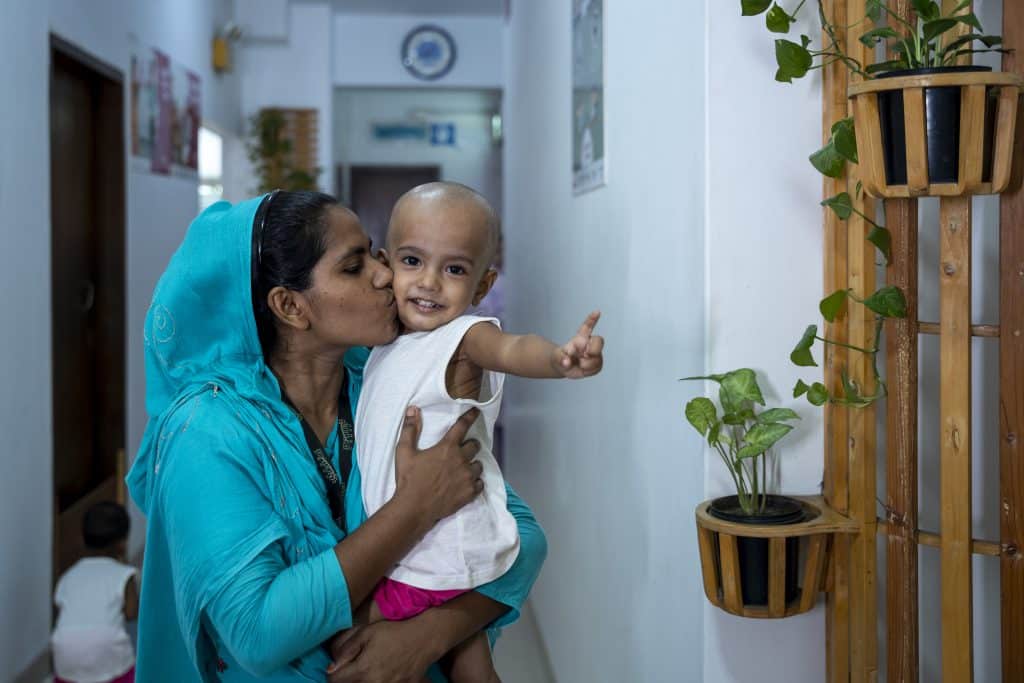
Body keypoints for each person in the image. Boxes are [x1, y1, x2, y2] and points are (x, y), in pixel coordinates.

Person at [125, 190, 547, 682]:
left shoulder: (378, 381)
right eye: (354, 266)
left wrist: (426, 636)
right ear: (290, 306)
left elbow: (523, 539)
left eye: (373, 252)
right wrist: (413, 509)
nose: (386, 274)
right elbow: (258, 632)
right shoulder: (207, 433)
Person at [354, 182, 603, 682]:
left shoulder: (465, 338)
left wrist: (558, 359)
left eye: (454, 269)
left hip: (441, 546)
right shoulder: (385, 343)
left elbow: (511, 349)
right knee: (466, 658)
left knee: (347, 634)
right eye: (411, 261)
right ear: (384, 264)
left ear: (482, 286)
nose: (428, 282)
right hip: (421, 545)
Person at [51, 501, 139, 683]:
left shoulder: (68, 576)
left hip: (65, 654)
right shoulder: (124, 575)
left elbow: (62, 612)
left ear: (83, 540)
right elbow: (132, 613)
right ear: (122, 543)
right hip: (108, 652)